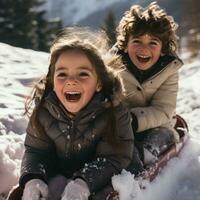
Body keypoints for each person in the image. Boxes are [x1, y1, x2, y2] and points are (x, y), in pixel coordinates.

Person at [19, 28, 134, 200]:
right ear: (53, 82)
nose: (71, 81)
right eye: (62, 74)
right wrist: (33, 177)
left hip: (108, 175)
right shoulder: (44, 111)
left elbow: (115, 158)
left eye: (83, 74)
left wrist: (84, 182)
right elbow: (36, 151)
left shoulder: (114, 112)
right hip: (64, 174)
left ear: (99, 84)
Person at [113, 2, 184, 167]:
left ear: (163, 50)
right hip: (118, 128)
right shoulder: (112, 66)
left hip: (156, 126)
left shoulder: (169, 70)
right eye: (137, 41)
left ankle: (140, 161)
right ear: (125, 46)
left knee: (159, 139)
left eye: (153, 43)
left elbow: (164, 109)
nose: (144, 49)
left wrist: (133, 120)